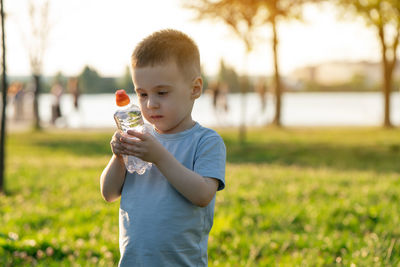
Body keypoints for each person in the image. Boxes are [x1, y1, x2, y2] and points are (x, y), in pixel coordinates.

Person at [100, 29, 226, 266]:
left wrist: (159, 156)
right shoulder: (139, 137)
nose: (150, 104)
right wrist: (118, 157)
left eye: (162, 92)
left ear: (195, 89)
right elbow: (108, 193)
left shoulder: (206, 141)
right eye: (142, 93)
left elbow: (202, 194)